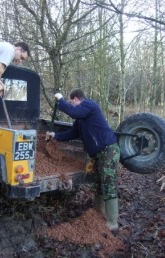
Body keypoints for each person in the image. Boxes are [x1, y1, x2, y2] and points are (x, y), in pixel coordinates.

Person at [45, 89, 120, 231]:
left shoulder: (90, 105)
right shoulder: (81, 119)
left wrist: (60, 100)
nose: (71, 104)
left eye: (70, 102)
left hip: (109, 151)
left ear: (76, 99)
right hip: (99, 154)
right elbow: (72, 133)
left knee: (108, 185)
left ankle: (112, 223)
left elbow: (74, 112)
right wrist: (55, 135)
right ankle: (100, 214)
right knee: (100, 184)